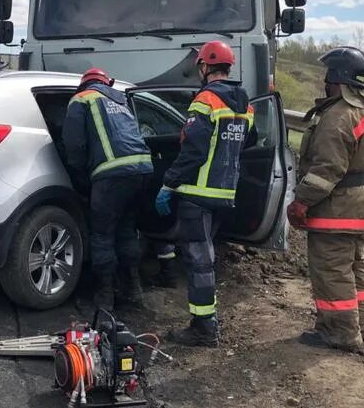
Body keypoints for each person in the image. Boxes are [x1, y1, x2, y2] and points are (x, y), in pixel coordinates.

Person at [156, 41, 255, 347]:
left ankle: (203, 328)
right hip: (224, 193)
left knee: (199, 260)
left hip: (197, 193)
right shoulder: (244, 102)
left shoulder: (206, 100)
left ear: (205, 66)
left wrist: (168, 182)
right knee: (205, 256)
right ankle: (206, 321)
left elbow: (193, 150)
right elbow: (247, 143)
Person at [287, 46, 364, 354]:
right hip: (359, 204)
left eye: (327, 75)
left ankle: (340, 333)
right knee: (354, 268)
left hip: (336, 208)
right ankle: (359, 326)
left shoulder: (338, 115)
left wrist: (300, 201)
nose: (324, 81)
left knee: (331, 270)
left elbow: (327, 169)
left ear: (337, 78)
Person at [62, 67, 154, 311]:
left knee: (102, 235)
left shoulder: (81, 100)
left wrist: (81, 179)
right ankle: (134, 291)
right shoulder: (121, 100)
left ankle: (105, 296)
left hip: (111, 176)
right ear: (107, 83)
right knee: (126, 229)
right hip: (142, 171)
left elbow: (74, 145)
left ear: (84, 85)